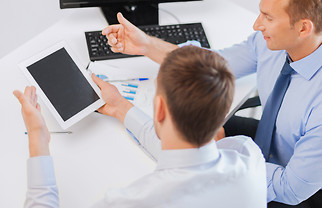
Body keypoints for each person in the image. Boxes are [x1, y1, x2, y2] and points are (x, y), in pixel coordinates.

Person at [102, 0, 322, 207]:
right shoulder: (270, 43)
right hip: (265, 145)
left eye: (268, 17)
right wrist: (146, 45)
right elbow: (209, 64)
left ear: (303, 28)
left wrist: (217, 163)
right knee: (188, 134)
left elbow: (290, 189)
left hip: (293, 187)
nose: (257, 24)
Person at [14, 46, 267, 207]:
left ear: (158, 109)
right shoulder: (248, 155)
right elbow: (189, 157)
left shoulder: (133, 201)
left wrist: (38, 139)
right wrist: (121, 107)